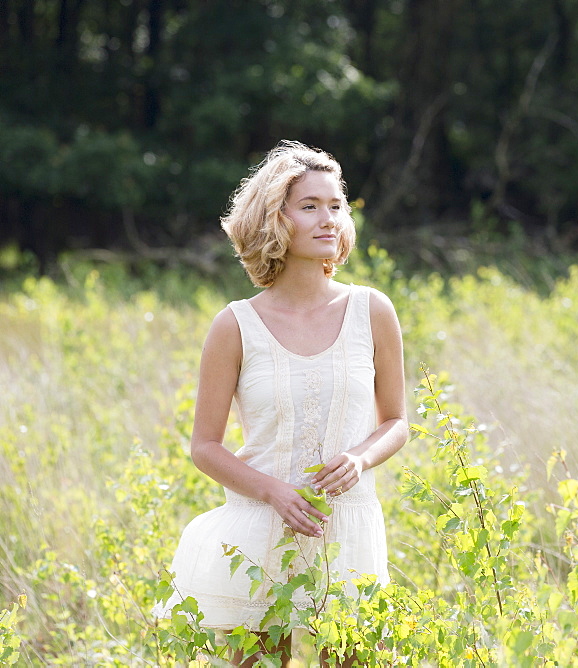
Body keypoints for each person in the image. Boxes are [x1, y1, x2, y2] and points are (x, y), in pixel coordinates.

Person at [154, 140, 408, 666]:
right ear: (275, 220)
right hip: (262, 528)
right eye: (310, 206)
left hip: (349, 528)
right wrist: (272, 493)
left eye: (336, 206)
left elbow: (397, 422)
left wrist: (360, 458)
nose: (328, 219)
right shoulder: (235, 324)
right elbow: (205, 447)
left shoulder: (373, 310)